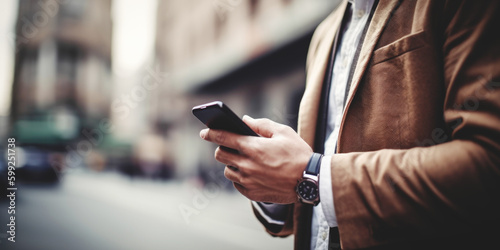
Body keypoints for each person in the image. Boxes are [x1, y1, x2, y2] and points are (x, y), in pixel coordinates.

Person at [199, 0, 500, 249]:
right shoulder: (324, 33)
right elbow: (317, 192)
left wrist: (313, 175)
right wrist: (271, 184)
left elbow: (489, 163)